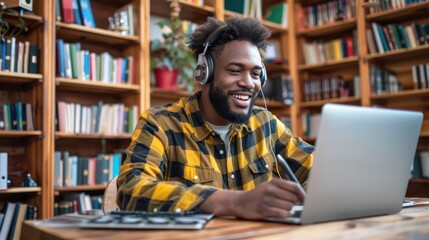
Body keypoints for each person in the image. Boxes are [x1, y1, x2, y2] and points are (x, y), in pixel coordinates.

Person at [117, 16, 314, 220]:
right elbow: (131, 191)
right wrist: (236, 202)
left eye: (256, 74)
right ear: (205, 73)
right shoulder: (160, 124)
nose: (249, 83)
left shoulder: (266, 124)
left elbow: (320, 168)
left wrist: (309, 196)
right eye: (235, 71)